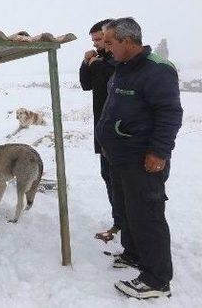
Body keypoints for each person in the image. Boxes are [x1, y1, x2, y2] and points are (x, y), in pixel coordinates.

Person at [95, 18, 182, 299]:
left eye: (109, 42)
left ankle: (157, 280)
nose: (106, 48)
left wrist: (158, 153)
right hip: (120, 156)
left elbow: (170, 114)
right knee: (127, 209)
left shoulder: (157, 70)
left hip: (142, 159)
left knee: (147, 215)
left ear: (127, 42)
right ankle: (133, 254)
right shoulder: (123, 67)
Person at [79, 19, 120, 241]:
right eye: (93, 40)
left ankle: (125, 224)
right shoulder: (100, 59)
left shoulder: (117, 61)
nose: (96, 44)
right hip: (102, 128)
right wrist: (86, 63)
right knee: (108, 176)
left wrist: (95, 64)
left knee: (120, 180)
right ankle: (119, 221)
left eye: (99, 39)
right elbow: (86, 84)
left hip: (118, 131)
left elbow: (110, 75)